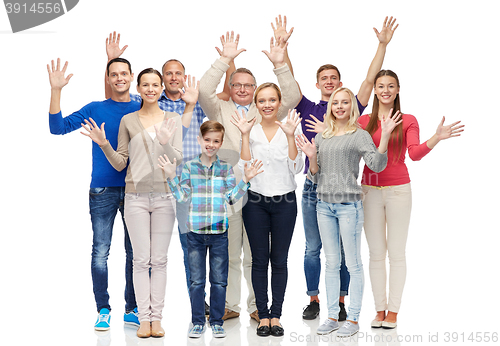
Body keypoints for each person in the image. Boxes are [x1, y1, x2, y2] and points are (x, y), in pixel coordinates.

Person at [271, 15, 398, 320]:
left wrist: (381, 45)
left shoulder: (348, 107)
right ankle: (314, 299)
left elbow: (369, 81)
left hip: (344, 189)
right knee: (313, 248)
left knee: (342, 251)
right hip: (314, 186)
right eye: (323, 78)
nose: (329, 82)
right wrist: (282, 48)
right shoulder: (307, 107)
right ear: (318, 84)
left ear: (340, 85)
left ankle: (341, 301)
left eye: (333, 78)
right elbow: (289, 82)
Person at [104, 33, 235, 314]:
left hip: (193, 187)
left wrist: (229, 59)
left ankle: (198, 308)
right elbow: (118, 97)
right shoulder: (151, 104)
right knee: (145, 255)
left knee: (192, 249)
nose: (173, 78)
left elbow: (227, 95)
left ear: (184, 76)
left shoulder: (198, 102)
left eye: (178, 73)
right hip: (158, 185)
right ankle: (140, 309)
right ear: (160, 81)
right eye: (168, 74)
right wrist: (112, 60)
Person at [198, 31, 301, 322]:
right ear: (229, 87)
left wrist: (280, 65)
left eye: (248, 86)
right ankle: (230, 304)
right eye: (237, 85)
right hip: (229, 192)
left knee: (257, 255)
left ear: (255, 90)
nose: (242, 89)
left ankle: (259, 306)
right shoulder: (219, 108)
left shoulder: (267, 109)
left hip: (261, 192)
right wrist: (224, 59)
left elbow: (292, 96)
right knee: (230, 252)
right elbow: (205, 90)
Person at [82, 68, 191, 338]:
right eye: (146, 85)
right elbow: (121, 161)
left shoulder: (173, 118)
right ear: (138, 89)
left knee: (160, 260)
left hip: (165, 196)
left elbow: (176, 160)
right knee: (141, 260)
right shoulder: (129, 120)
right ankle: (144, 319)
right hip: (135, 197)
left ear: (161, 88)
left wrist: (164, 143)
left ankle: (157, 319)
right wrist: (104, 144)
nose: (151, 89)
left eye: (156, 85)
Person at [358, 70, 464, 329]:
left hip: (398, 191)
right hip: (369, 191)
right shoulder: (363, 121)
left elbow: (415, 154)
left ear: (397, 90)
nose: (385, 90)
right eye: (380, 86)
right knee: (375, 254)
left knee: (396, 253)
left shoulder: (408, 120)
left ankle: (393, 311)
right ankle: (379, 310)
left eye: (390, 86)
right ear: (375, 90)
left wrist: (436, 138)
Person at [296, 87, 401, 337]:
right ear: (330, 107)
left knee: (352, 263)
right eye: (335, 103)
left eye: (345, 102)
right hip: (324, 206)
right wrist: (311, 157)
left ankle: (353, 319)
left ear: (351, 107)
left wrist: (384, 136)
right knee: (331, 263)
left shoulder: (359, 134)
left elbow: (376, 164)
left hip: (348, 207)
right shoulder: (323, 136)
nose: (340, 106)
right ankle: (332, 316)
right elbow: (315, 175)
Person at [47, 57, 140, 331]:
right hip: (102, 189)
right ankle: (102, 309)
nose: (120, 78)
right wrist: (56, 91)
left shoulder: (142, 106)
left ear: (132, 76)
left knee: (134, 252)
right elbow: (57, 128)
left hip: (137, 189)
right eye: (114, 74)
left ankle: (132, 308)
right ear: (108, 79)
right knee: (101, 251)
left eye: (124, 73)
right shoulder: (96, 108)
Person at [159, 121, 263, 338]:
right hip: (195, 233)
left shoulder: (225, 168)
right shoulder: (189, 167)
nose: (211, 144)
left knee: (219, 280)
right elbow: (182, 197)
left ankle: (216, 321)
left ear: (221, 143)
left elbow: (231, 198)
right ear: (200, 140)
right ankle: (197, 321)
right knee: (196, 281)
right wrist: (171, 177)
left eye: (216, 141)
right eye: (207, 140)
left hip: (218, 234)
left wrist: (245, 180)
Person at [232, 83, 303, 337]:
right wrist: (243, 136)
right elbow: (243, 166)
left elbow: (296, 168)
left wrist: (292, 136)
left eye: (272, 100)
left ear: (279, 102)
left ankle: (276, 315)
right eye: (262, 100)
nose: (267, 105)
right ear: (256, 103)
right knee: (259, 260)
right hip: (256, 202)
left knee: (280, 260)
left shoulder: (290, 128)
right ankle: (262, 315)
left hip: (285, 202)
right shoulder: (251, 131)